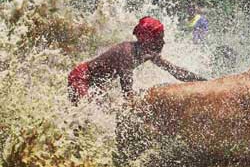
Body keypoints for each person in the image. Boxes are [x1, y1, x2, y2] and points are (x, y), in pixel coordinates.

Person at [68, 16, 205, 104]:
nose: (162, 42)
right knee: (86, 114)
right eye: (159, 38)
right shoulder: (127, 53)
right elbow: (127, 91)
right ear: (147, 39)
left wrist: (203, 81)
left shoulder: (147, 53)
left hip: (97, 84)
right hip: (81, 77)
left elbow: (174, 71)